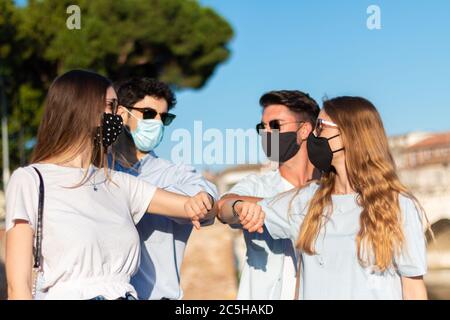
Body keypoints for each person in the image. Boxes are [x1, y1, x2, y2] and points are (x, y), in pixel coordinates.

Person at [5, 70, 213, 300]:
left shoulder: (119, 182)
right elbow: (18, 288)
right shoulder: (31, 180)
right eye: (110, 106)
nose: (117, 117)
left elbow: (192, 205)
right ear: (80, 107)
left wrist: (207, 202)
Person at [241, 96, 430, 299]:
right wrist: (236, 206)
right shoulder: (305, 200)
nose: (313, 134)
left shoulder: (399, 205)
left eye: (320, 126)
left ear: (350, 134)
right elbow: (237, 208)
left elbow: (412, 289)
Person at [113, 77, 218, 300]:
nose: (158, 123)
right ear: (121, 113)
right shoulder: (97, 171)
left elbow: (208, 204)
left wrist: (203, 202)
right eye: (149, 114)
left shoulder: (176, 173)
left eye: (165, 117)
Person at [217, 90, 320, 299]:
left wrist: (268, 209)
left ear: (304, 130)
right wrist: (238, 207)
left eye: (275, 125)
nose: (266, 133)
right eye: (261, 127)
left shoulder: (331, 189)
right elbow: (223, 207)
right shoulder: (257, 184)